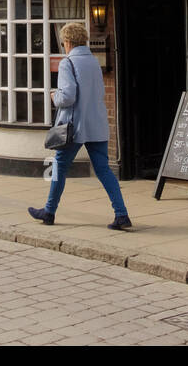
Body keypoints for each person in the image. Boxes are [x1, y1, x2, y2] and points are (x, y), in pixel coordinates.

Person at [28, 23, 132, 230]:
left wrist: (53, 96)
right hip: (97, 124)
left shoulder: (68, 63)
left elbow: (67, 97)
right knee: (103, 170)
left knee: (59, 167)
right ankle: (121, 215)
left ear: (67, 42)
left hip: (74, 127)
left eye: (63, 42)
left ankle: (49, 211)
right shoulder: (94, 61)